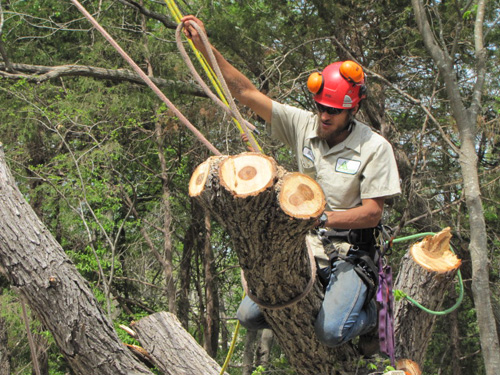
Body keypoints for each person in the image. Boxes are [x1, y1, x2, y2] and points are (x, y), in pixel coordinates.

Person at [181, 15, 401, 348]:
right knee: (250, 316)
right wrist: (204, 46)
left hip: (349, 251)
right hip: (303, 246)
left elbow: (372, 213)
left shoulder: (374, 147)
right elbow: (246, 92)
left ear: (352, 109)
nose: (324, 116)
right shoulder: (303, 125)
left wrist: (323, 218)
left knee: (332, 333)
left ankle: (371, 316)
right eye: (321, 107)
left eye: (333, 111)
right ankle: (323, 307)